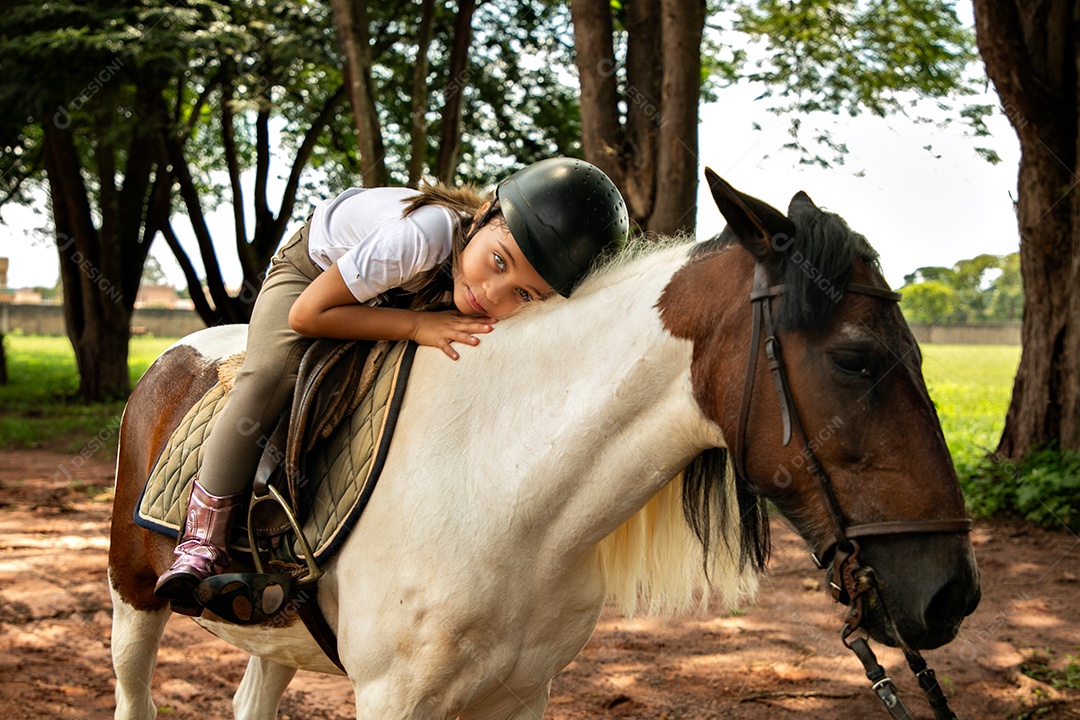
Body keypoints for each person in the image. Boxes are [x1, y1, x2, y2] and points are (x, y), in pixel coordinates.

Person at [155, 157, 630, 609]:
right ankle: (201, 541)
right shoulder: (421, 238)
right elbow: (308, 315)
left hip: (397, 289)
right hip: (312, 277)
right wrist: (416, 327)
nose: (490, 294)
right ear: (485, 214)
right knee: (271, 374)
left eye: (523, 294)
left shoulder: (476, 273)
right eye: (500, 263)